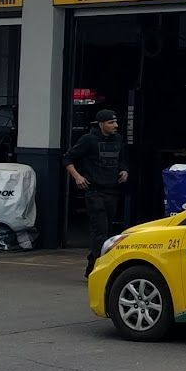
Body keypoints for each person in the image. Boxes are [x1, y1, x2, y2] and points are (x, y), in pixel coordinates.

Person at [65, 108, 128, 275]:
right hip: (94, 191)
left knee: (107, 231)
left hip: (112, 190)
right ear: (101, 124)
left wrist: (124, 170)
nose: (115, 125)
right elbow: (68, 158)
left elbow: (121, 159)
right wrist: (77, 176)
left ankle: (94, 265)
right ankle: (96, 268)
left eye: (115, 122)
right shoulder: (88, 140)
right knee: (100, 229)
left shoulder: (118, 139)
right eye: (110, 122)